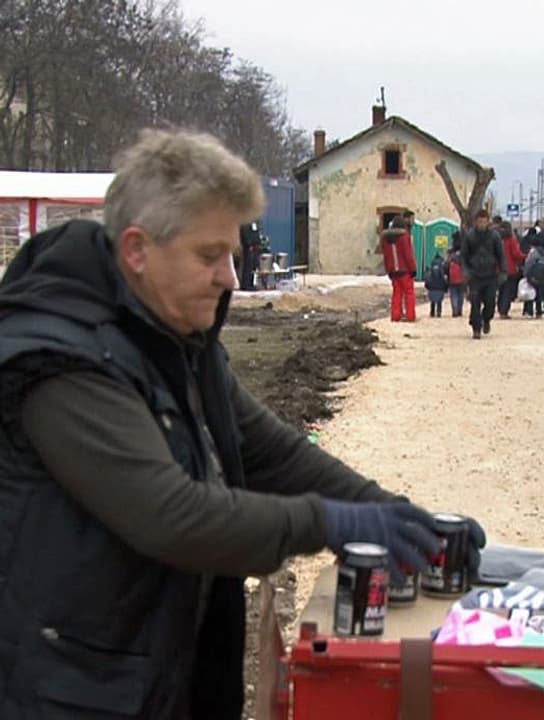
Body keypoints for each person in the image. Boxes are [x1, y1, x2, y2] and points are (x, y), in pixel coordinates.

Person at [0, 128, 486, 720]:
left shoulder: (172, 332)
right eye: (209, 256)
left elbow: (265, 448)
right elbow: (171, 517)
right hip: (68, 688)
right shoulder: (61, 361)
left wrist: (390, 512)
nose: (232, 276)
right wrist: (330, 521)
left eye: (232, 253)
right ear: (137, 250)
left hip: (143, 666)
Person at [461, 209, 505, 339]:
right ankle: (476, 328)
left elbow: (501, 255)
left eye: (484, 222)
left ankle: (486, 319)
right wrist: (465, 271)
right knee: (475, 301)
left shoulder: (495, 236)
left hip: (490, 275)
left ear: (488, 222)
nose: (481, 224)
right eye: (479, 222)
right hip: (475, 275)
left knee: (490, 302)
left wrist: (503, 271)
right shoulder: (469, 236)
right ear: (476, 222)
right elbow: (463, 256)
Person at [381, 215, 417, 322]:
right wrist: (413, 269)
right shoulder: (404, 237)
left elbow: (386, 256)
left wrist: (388, 270)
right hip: (405, 270)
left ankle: (395, 316)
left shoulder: (385, 239)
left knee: (397, 294)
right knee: (409, 293)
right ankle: (410, 316)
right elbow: (408, 254)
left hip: (393, 271)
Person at [497, 220, 526, 319]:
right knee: (507, 291)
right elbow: (516, 254)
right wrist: (525, 256)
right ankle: (504, 311)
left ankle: (500, 308)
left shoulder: (497, 238)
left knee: (501, 290)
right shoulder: (511, 239)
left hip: (498, 268)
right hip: (510, 269)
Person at [445, 238, 466, 317]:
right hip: (462, 278)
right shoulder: (464, 255)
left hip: (452, 279)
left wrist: (447, 274)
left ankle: (455, 310)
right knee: (461, 294)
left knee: (453, 294)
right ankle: (459, 310)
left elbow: (446, 266)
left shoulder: (451, 256)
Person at [424, 251, 448, 317]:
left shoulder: (431, 268)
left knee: (432, 301)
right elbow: (444, 279)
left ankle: (432, 312)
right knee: (439, 301)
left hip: (432, 287)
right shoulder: (442, 269)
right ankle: (439, 312)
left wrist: (427, 286)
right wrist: (446, 287)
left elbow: (427, 279)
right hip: (440, 287)